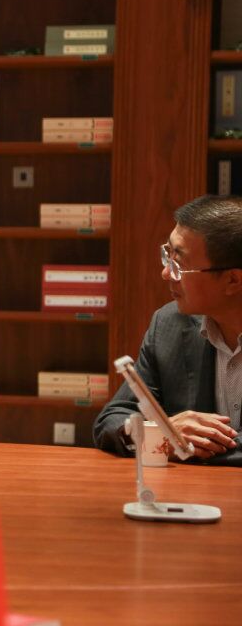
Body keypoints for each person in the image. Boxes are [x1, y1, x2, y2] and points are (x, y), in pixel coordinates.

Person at [94, 194, 242, 464]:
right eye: (167, 255)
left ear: (232, 280)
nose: (165, 274)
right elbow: (112, 419)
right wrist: (161, 434)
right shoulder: (169, 324)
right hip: (187, 490)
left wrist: (184, 445)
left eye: (179, 265)